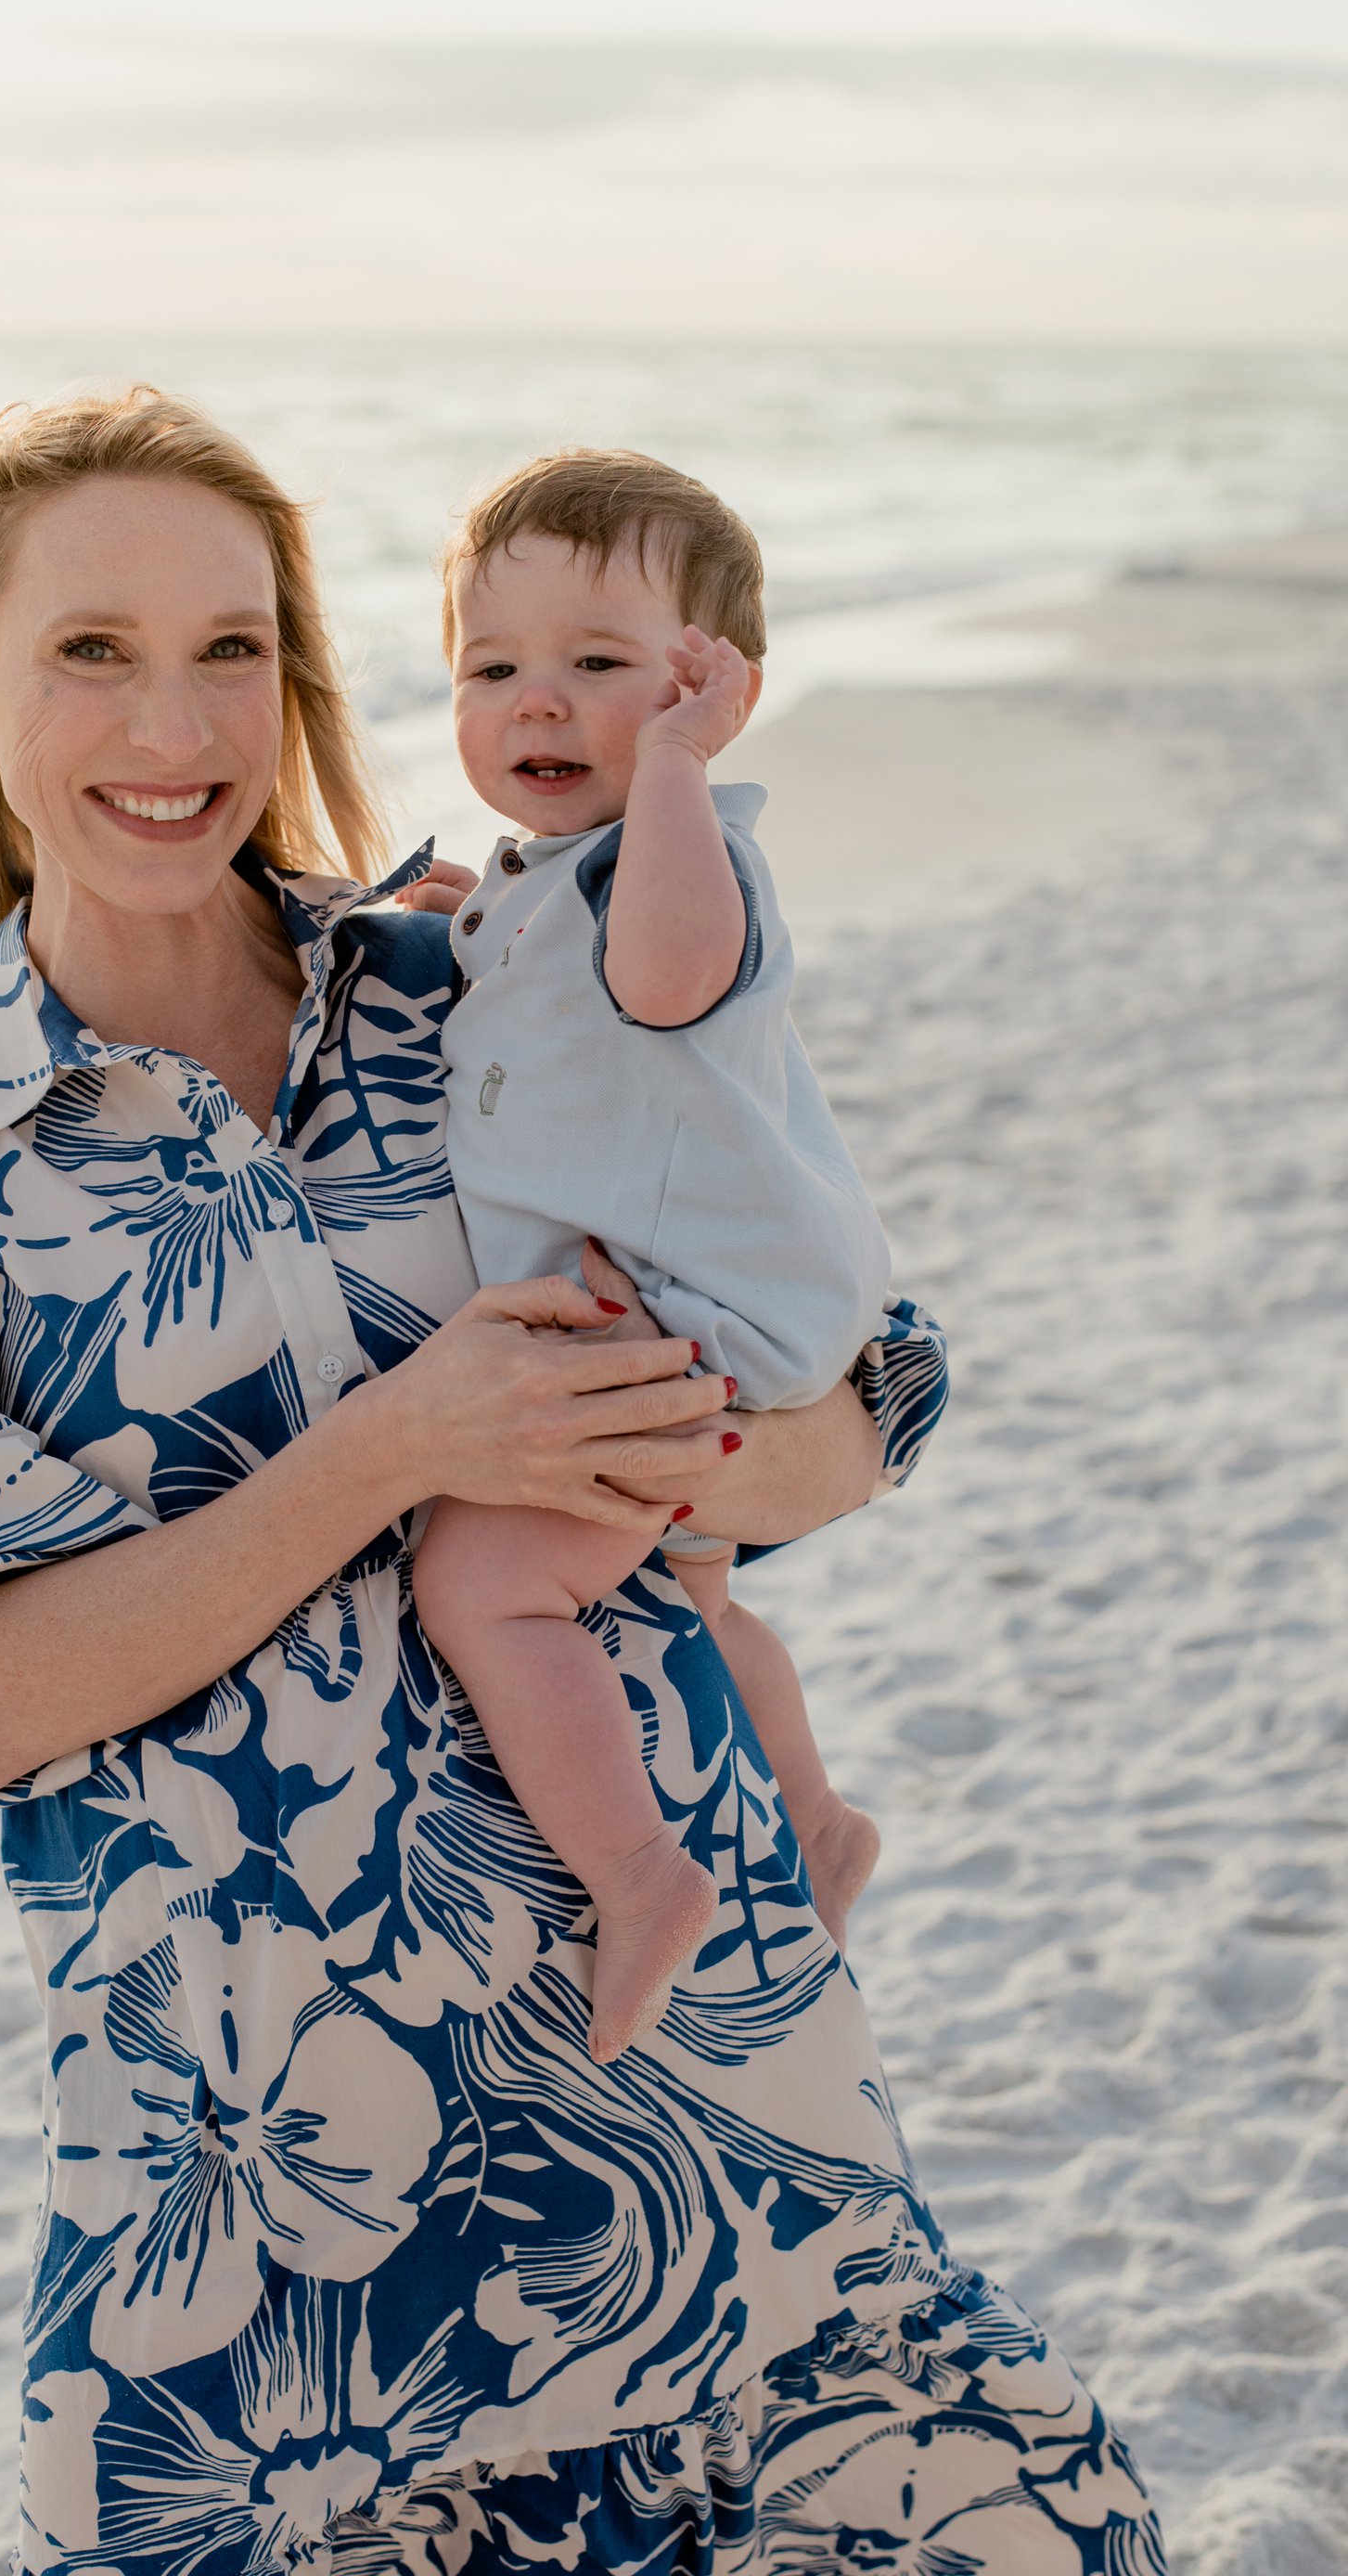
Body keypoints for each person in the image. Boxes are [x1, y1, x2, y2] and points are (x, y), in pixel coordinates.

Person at [0, 384, 1164, 2575]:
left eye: (234, 649)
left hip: (710, 2089)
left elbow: (868, 1393)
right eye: (92, 651)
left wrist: (685, 1452)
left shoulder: (479, 973)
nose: (176, 725)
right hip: (258, 2199)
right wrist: (402, 1449)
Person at [409, 451, 887, 2064]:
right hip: (692, 1302)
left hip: (697, 1318)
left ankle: (637, 1874)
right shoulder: (554, 874)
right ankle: (814, 1818)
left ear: (710, 687)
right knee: (696, 1595)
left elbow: (668, 976)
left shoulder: (678, 854)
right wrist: (462, 921)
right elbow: (562, 986)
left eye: (600, 664)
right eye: (490, 670)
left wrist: (679, 768)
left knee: (484, 1581)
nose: (535, 701)